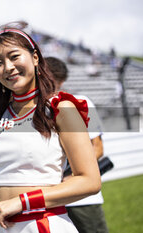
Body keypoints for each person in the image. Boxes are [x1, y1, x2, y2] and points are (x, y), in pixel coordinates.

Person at [0, 21, 101, 233]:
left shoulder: (60, 108)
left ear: (35, 58)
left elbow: (89, 180)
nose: (7, 67)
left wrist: (22, 201)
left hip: (43, 224)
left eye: (14, 56)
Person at [45, 56, 109, 233]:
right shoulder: (34, 108)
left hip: (81, 198)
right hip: (50, 200)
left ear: (61, 81)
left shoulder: (80, 102)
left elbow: (97, 148)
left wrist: (70, 175)